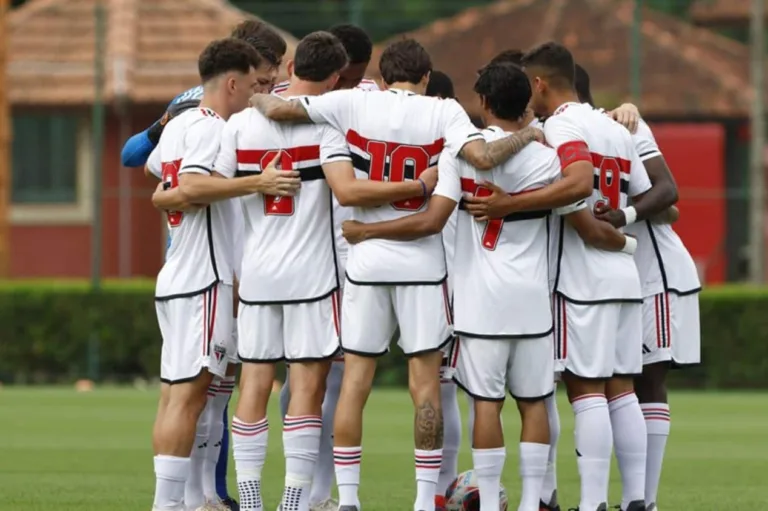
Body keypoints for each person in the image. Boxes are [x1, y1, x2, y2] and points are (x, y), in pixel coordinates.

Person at [249, 38, 544, 511]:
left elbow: (279, 111)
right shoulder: (444, 111)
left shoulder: (353, 101)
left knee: (354, 383)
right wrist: (529, 134)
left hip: (366, 266)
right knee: (425, 387)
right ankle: (425, 500)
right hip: (423, 265)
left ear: (383, 78)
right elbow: (486, 158)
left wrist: (256, 96)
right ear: (426, 77)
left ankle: (348, 500)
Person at [341, 61, 632, 511]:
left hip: (479, 306)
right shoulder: (549, 156)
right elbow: (580, 199)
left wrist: (368, 231)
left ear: (483, 103)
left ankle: (492, 501)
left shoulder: (459, 156)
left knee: (486, 406)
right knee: (534, 404)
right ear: (527, 104)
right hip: (532, 301)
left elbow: (432, 219)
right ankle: (535, 501)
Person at [463, 41, 652, 511]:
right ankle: (638, 500)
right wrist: (624, 237)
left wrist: (508, 204)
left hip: (581, 278)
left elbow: (577, 185)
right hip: (624, 275)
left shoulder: (563, 127)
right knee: (624, 390)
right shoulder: (617, 128)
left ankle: (591, 504)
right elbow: (645, 196)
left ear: (541, 83)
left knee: (586, 390)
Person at [125, 20, 288, 510]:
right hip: (204, 280)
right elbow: (191, 188)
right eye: (258, 82)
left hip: (178, 276)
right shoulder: (210, 128)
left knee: (187, 395)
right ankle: (172, 504)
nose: (262, 91)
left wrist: (166, 198)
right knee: (190, 399)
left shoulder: (176, 127)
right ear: (234, 81)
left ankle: (194, 500)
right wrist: (256, 183)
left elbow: (160, 182)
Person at [574, 64, 700, 511]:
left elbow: (668, 194)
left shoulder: (624, 123)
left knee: (646, 381)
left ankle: (644, 501)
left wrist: (624, 216)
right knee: (606, 384)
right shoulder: (556, 133)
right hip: (613, 277)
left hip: (654, 274)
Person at [271, 24, 378, 510]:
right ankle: (311, 493)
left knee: (311, 379)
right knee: (310, 380)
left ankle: (312, 493)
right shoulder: (362, 101)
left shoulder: (369, 100)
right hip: (324, 258)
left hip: (326, 257)